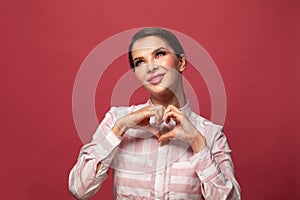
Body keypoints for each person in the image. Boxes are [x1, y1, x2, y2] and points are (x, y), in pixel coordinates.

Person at [69, 27, 241, 199]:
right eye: (140, 62)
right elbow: (79, 188)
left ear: (181, 62)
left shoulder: (210, 134)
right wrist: (120, 127)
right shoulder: (117, 120)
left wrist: (197, 143)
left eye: (159, 54)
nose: (150, 68)